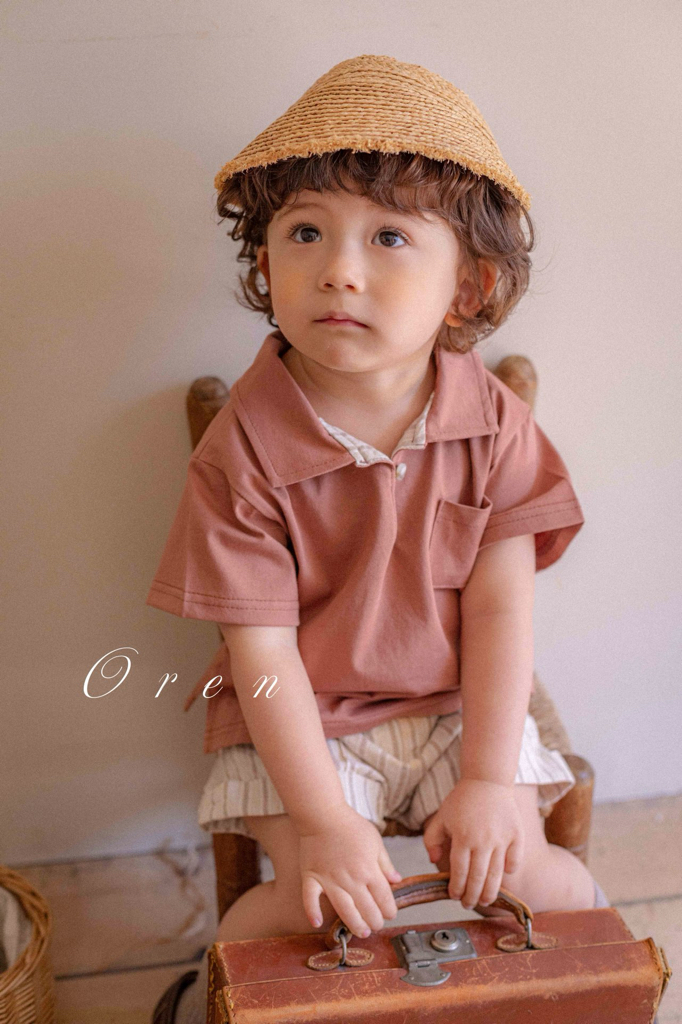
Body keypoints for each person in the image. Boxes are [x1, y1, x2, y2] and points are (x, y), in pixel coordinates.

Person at [148, 54, 614, 1024]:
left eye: (389, 236)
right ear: (264, 261)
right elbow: (261, 653)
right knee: (310, 906)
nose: (339, 269)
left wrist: (488, 777)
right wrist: (323, 824)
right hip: (301, 717)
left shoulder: (492, 425)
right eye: (304, 231)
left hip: (455, 703)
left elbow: (500, 609)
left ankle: (590, 996)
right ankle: (223, 998)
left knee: (538, 879)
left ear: (469, 285)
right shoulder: (242, 448)